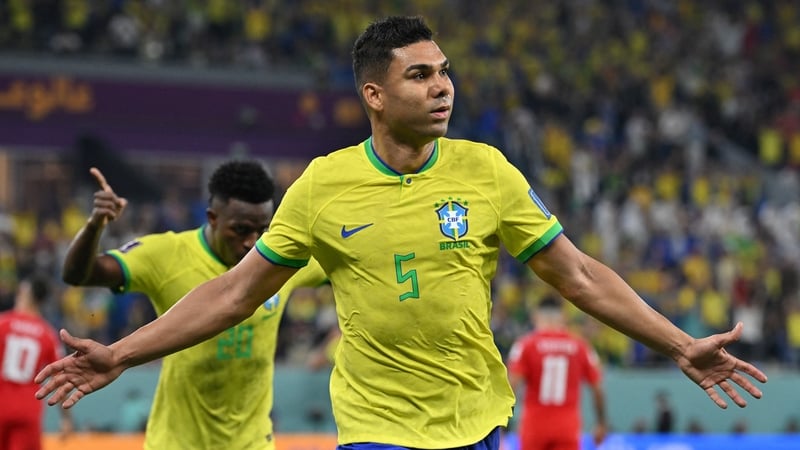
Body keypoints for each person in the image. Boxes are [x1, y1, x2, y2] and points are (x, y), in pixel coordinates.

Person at [36, 15, 767, 450]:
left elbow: (576, 275)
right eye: (420, 75)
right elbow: (233, 294)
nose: (443, 86)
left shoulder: (488, 172)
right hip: (377, 426)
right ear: (375, 95)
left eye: (444, 72)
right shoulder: (322, 186)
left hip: (478, 421)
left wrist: (678, 343)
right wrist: (123, 355)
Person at [58, 162, 327, 449]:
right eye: (241, 230)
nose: (253, 242)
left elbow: (349, 268)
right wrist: (94, 226)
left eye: (263, 230)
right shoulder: (167, 254)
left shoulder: (278, 259)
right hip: (176, 442)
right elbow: (79, 274)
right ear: (212, 218)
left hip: (252, 443)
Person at [507, 296, 606, 450]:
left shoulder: (526, 345)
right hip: (567, 426)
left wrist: (504, 424)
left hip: (534, 425)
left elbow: (512, 385)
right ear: (563, 317)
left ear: (536, 316)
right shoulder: (580, 346)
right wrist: (601, 423)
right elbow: (597, 390)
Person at [1, 275, 72, 450]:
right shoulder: (47, 334)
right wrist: (66, 419)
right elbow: (60, 378)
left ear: (26, 295)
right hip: (28, 408)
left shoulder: (3, 323)